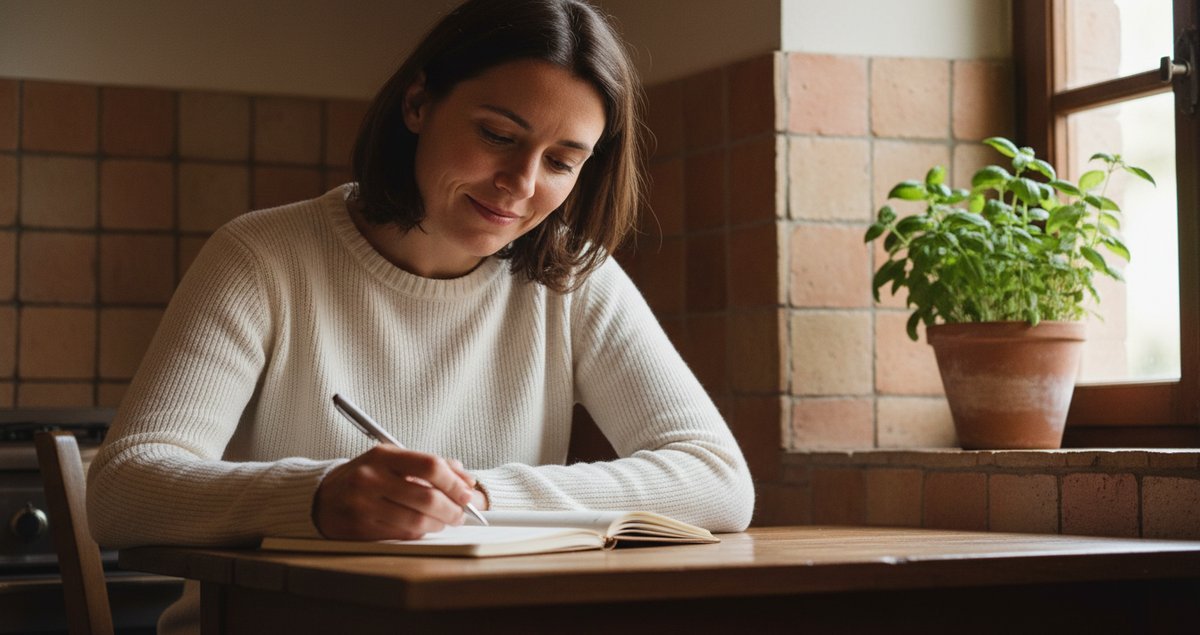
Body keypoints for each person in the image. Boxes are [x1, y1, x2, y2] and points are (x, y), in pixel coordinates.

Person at [87, 0, 754, 632]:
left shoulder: (573, 279)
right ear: (417, 103)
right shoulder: (262, 257)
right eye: (498, 134)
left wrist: (475, 498)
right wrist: (316, 498)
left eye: (560, 161)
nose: (521, 184)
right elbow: (122, 490)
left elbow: (719, 479)